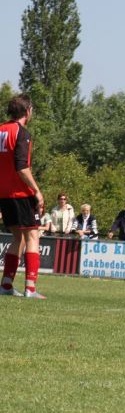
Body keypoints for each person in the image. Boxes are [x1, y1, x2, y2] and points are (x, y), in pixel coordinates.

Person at [0, 94, 46, 298]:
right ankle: (30, 288)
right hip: (20, 192)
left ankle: (6, 285)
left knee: (17, 237)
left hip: (4, 193)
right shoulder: (22, 132)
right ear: (27, 112)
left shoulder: (1, 130)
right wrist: (36, 190)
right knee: (32, 235)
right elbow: (22, 167)